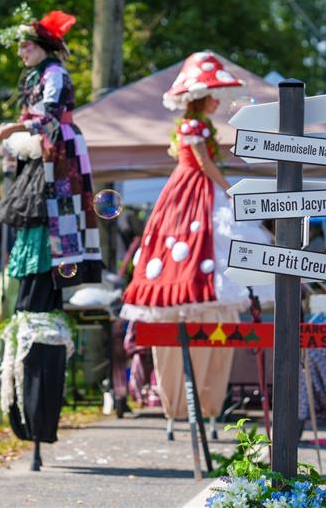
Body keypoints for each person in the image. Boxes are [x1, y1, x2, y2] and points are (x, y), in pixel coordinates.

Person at [119, 50, 272, 439]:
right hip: (195, 191)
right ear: (201, 96)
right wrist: (229, 189)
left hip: (183, 191)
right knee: (201, 241)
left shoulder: (193, 125)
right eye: (213, 94)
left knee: (200, 246)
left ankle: (199, 405)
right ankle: (190, 403)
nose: (217, 101)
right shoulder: (196, 128)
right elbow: (203, 164)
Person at [0, 6, 95, 471]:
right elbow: (29, 125)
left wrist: (11, 129)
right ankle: (24, 406)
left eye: (26, 43)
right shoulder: (36, 78)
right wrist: (4, 134)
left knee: (45, 265)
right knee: (26, 279)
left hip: (56, 176)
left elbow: (45, 121)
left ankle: (41, 413)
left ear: (43, 47)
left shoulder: (56, 75)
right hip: (36, 170)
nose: (20, 50)